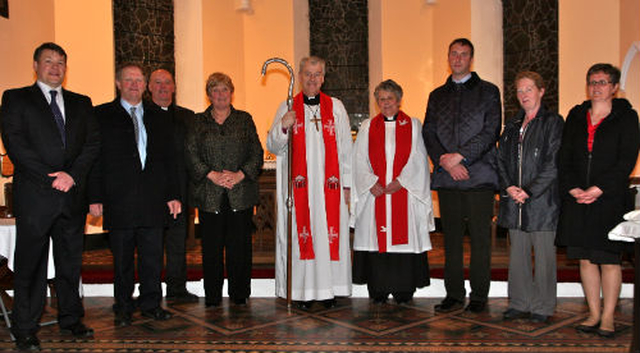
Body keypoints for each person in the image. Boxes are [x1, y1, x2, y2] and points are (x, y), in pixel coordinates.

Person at [0, 42, 99, 350]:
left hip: (72, 195)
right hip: (35, 196)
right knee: (31, 263)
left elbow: (92, 144)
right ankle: (25, 327)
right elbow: (14, 143)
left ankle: (71, 319)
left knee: (70, 262)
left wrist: (72, 176)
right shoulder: (16, 99)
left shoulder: (82, 103)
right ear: (35, 65)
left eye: (60, 63)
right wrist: (49, 177)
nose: (55, 67)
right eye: (48, 61)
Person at [89, 63, 181, 327]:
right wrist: (94, 196)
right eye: (128, 80)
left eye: (138, 80)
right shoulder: (101, 115)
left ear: (145, 85)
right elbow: (95, 160)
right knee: (122, 260)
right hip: (119, 200)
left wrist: (173, 194)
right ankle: (123, 307)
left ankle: (151, 304)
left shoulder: (158, 116)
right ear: (118, 83)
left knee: (153, 257)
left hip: (153, 199)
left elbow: (168, 160)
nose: (134, 84)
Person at [557, 63, 640, 338]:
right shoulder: (576, 115)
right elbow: (564, 156)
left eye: (603, 82)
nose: (597, 87)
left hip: (610, 198)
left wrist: (599, 188)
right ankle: (593, 313)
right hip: (578, 198)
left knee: (608, 259)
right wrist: (572, 188)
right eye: (593, 81)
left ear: (614, 87)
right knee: (585, 259)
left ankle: (607, 318)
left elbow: (626, 159)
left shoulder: (627, 117)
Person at [422, 38, 501, 313]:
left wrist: (461, 157)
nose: (458, 58)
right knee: (451, 240)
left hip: (479, 175)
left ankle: (479, 295)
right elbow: (429, 132)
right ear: (448, 57)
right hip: (447, 177)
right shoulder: (437, 95)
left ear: (471, 59)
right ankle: (453, 294)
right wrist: (444, 159)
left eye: (463, 54)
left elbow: (491, 130)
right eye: (453, 54)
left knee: (480, 240)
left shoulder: (489, 92)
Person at [266, 56, 353, 308]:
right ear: (300, 76)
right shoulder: (286, 107)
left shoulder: (335, 107)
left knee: (328, 236)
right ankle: (302, 293)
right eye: (307, 74)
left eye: (317, 74)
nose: (312, 79)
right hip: (299, 189)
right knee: (302, 236)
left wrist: (346, 186)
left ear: (323, 78)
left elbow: (346, 148)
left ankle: (329, 291)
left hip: (330, 189)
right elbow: (272, 146)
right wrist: (283, 127)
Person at [352, 79, 434, 304]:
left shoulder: (414, 125)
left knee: (403, 238)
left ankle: (403, 289)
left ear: (398, 100)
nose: (385, 102)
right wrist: (370, 183)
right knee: (375, 238)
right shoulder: (368, 126)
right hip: (375, 196)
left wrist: (402, 181)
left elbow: (418, 158)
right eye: (381, 99)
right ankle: (378, 289)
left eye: (390, 98)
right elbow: (358, 159)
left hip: (403, 194)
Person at [185, 72, 263, 307]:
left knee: (240, 248)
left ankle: (240, 295)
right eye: (215, 90)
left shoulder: (244, 119)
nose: (220, 94)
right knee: (211, 248)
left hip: (240, 193)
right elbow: (190, 153)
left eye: (225, 90)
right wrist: (213, 175)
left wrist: (239, 175)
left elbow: (256, 153)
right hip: (210, 194)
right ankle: (213, 296)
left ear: (232, 93)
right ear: (208, 95)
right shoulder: (198, 122)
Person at [497, 71, 563, 323]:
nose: (524, 95)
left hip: (542, 202)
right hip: (515, 202)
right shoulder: (512, 126)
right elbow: (500, 160)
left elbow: (554, 163)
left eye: (529, 89)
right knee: (518, 257)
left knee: (545, 258)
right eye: (519, 90)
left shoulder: (553, 122)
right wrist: (509, 186)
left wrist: (530, 190)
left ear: (541, 91)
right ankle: (519, 302)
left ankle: (543, 306)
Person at [148, 69, 198, 303]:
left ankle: (177, 288)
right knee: (152, 244)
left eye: (167, 83)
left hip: (181, 189)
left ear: (174, 87)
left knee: (178, 243)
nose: (163, 87)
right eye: (157, 83)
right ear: (149, 87)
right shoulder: (142, 115)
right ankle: (152, 291)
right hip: (152, 192)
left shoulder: (188, 117)